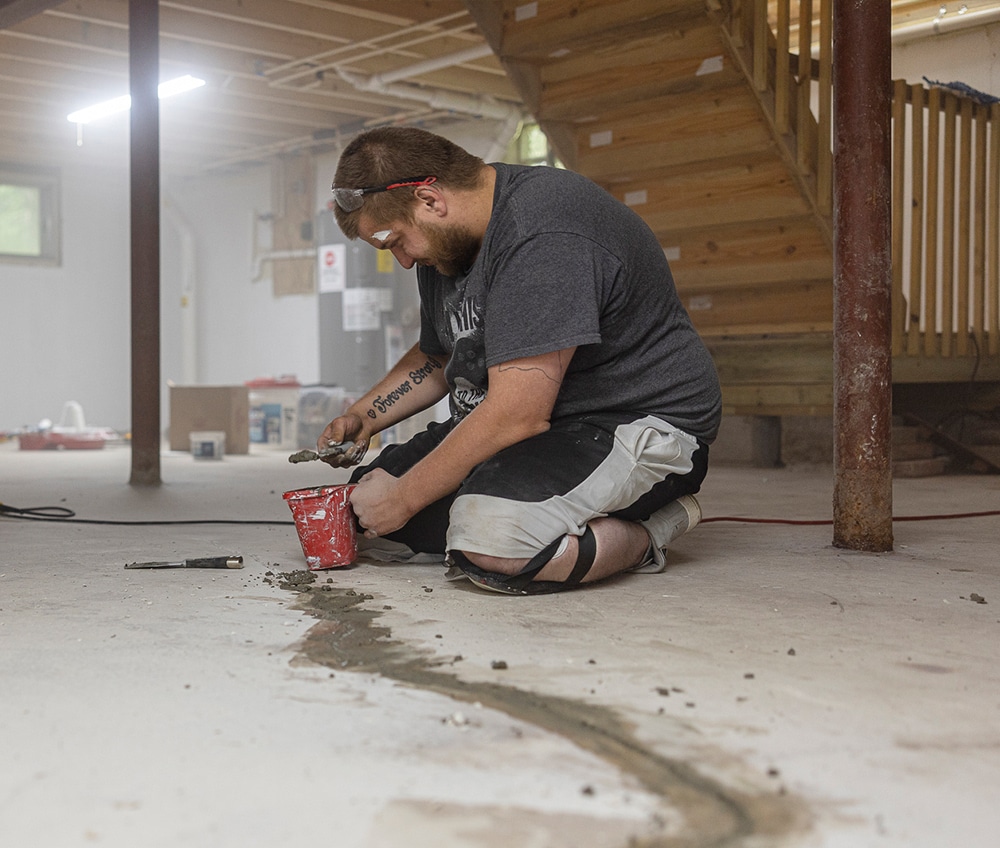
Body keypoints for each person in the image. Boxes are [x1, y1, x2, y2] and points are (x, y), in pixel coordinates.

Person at [318, 126, 721, 595]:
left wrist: (406, 499)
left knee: (492, 544)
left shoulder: (544, 227)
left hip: (626, 420)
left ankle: (652, 529)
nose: (404, 262)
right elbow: (441, 352)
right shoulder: (444, 249)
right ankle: (522, 511)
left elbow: (517, 415)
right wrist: (363, 416)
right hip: (530, 422)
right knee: (361, 508)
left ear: (430, 200)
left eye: (395, 242)